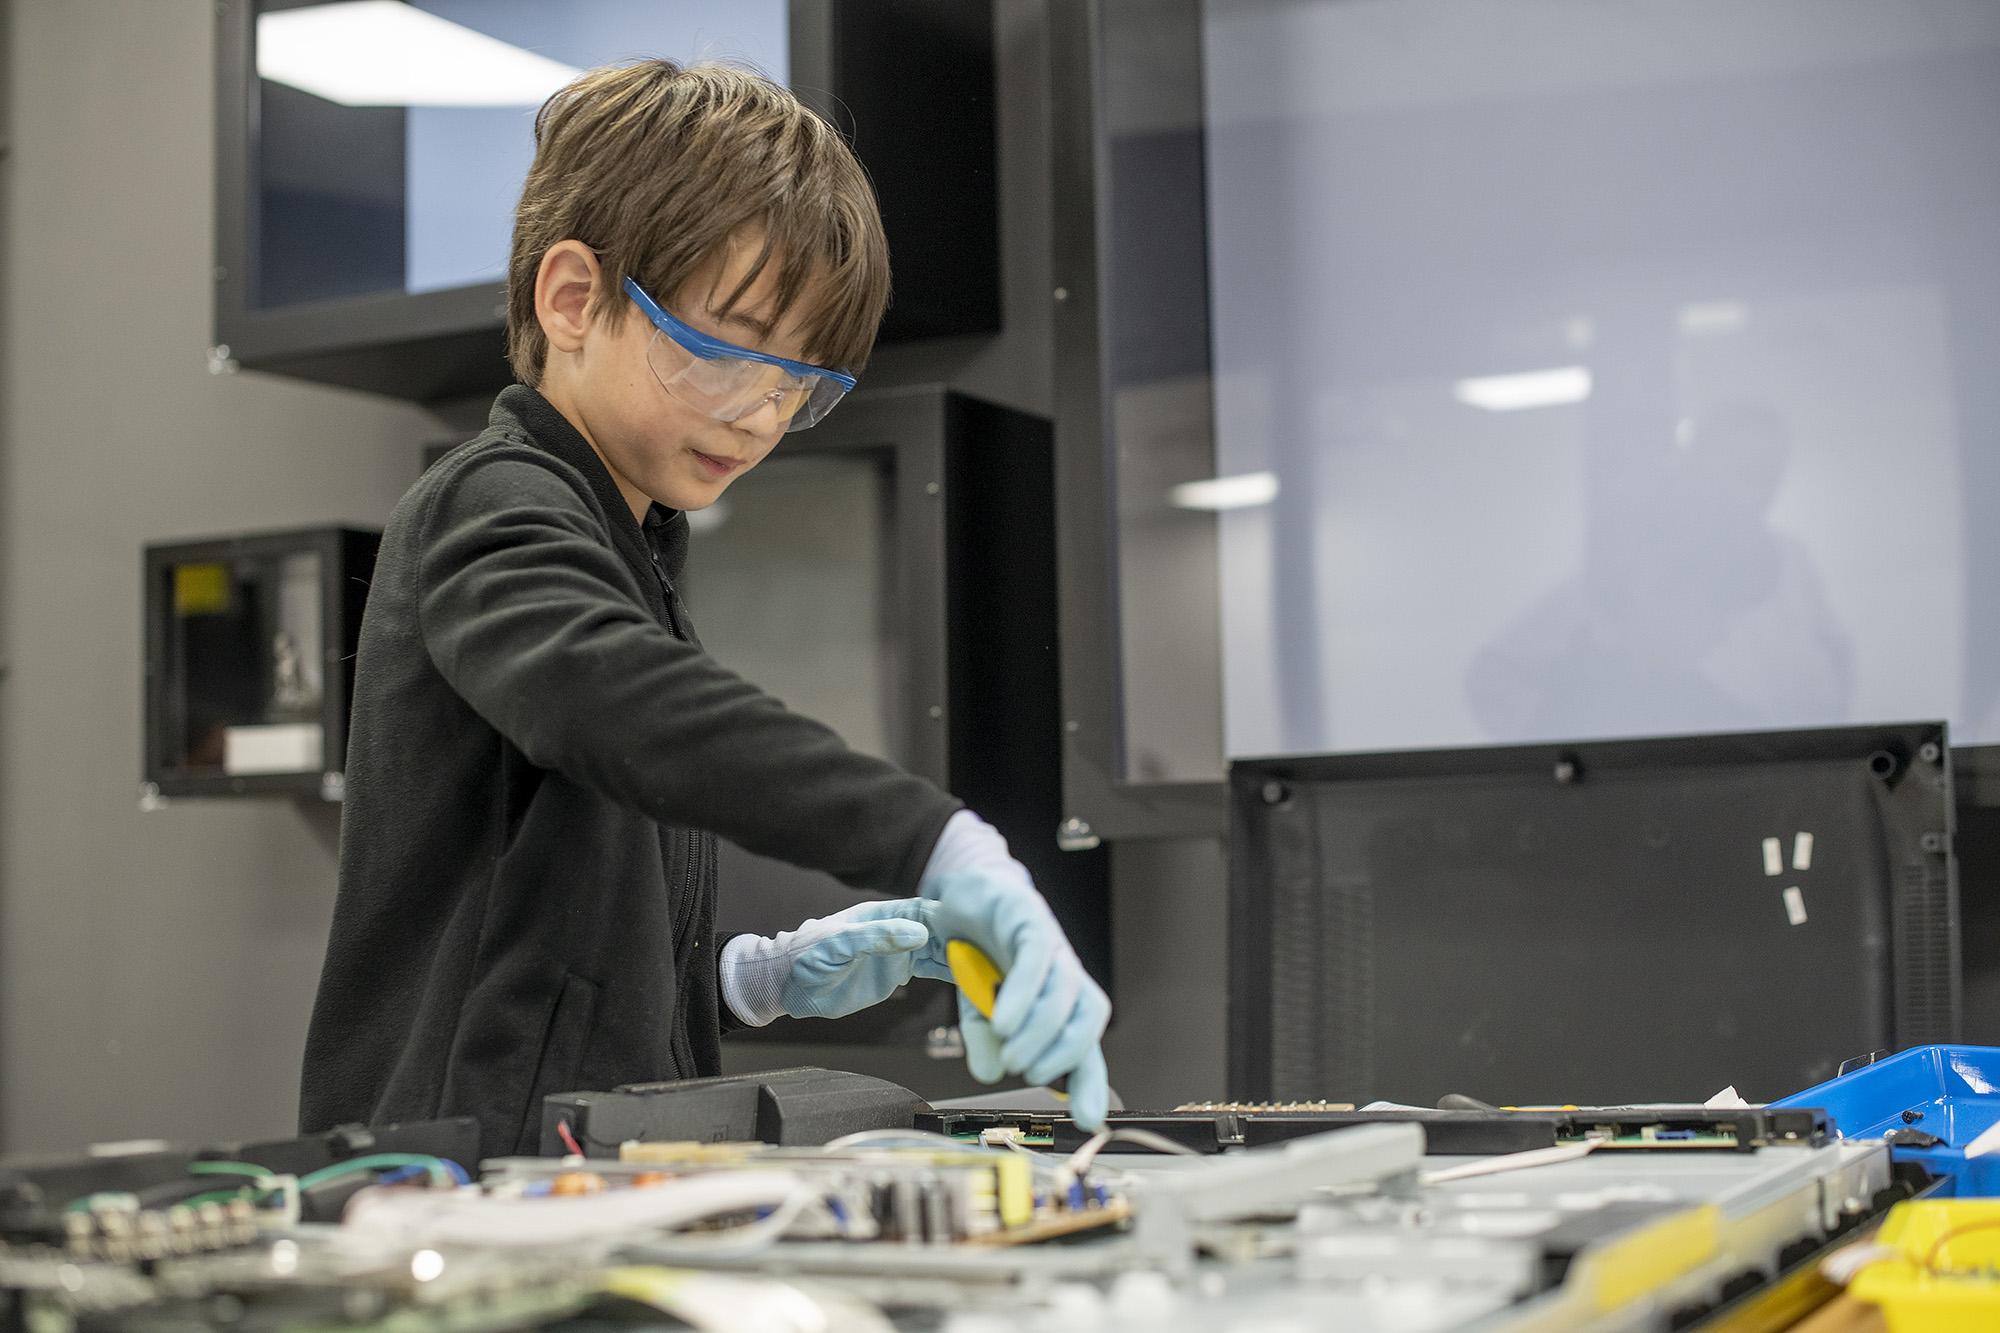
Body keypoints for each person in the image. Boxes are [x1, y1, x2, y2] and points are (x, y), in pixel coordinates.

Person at [298, 61, 1110, 1159]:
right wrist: (931, 840)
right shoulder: (488, 506)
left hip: (591, 1167)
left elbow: (549, 932)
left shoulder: (628, 541)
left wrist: (744, 977)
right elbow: (617, 700)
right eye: (728, 351)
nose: (761, 414)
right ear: (572, 298)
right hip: (453, 1183)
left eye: (797, 384)